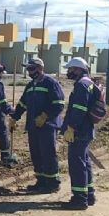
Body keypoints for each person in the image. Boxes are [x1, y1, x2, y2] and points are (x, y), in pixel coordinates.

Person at [9, 58, 66, 192]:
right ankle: (41, 181)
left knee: (48, 154)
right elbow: (23, 103)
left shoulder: (50, 83)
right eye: (27, 69)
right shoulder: (30, 86)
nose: (29, 72)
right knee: (36, 154)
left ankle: (52, 183)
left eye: (31, 68)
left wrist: (45, 116)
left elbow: (59, 104)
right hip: (33, 126)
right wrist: (15, 117)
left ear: (40, 68)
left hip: (47, 126)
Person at [61, 57, 97, 210]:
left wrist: (71, 127)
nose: (68, 72)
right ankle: (89, 195)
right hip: (86, 129)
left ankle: (79, 199)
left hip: (79, 131)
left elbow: (79, 109)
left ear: (78, 69)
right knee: (84, 162)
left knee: (77, 164)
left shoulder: (82, 85)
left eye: (70, 69)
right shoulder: (88, 83)